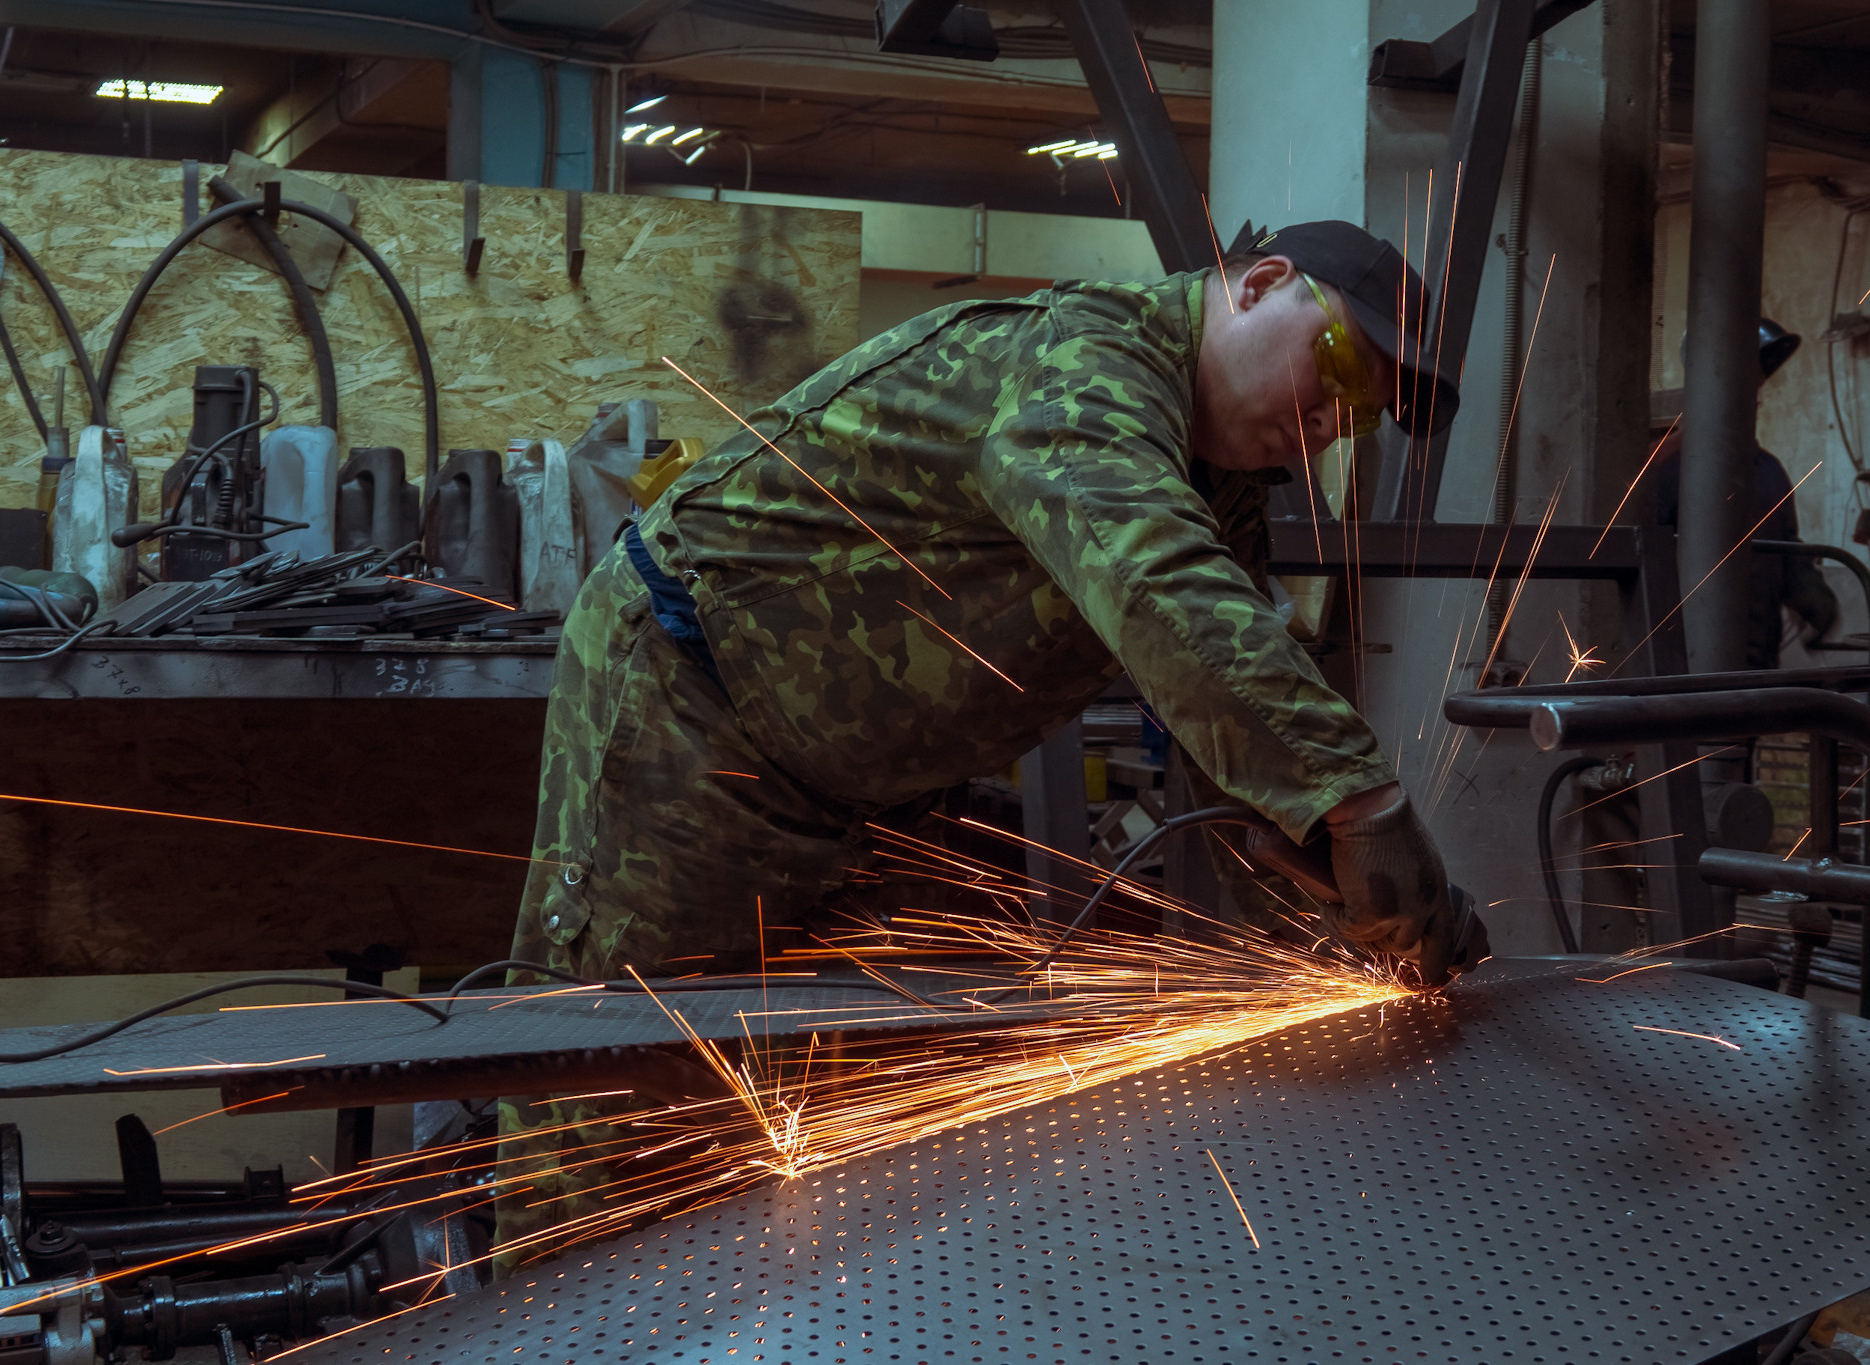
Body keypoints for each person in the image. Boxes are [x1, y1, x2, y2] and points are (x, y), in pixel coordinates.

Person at [496, 219, 1487, 1261]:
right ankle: (539, 1313)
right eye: (1337, 366)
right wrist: (1362, 804)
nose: (1327, 420)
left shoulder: (1217, 486)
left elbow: (1226, 718)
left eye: (1358, 412)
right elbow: (1166, 593)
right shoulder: (1082, 365)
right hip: (690, 708)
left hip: (853, 788)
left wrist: (1347, 937)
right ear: (1259, 284)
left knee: (800, 1114)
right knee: (620, 1093)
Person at [1656, 317, 1840, 668]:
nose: (1756, 397)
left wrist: (1813, 599)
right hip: (1680, 668)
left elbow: (1786, 550)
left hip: (1756, 662)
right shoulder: (1666, 466)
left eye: (1756, 384)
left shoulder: (1768, 470)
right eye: (1744, 383)